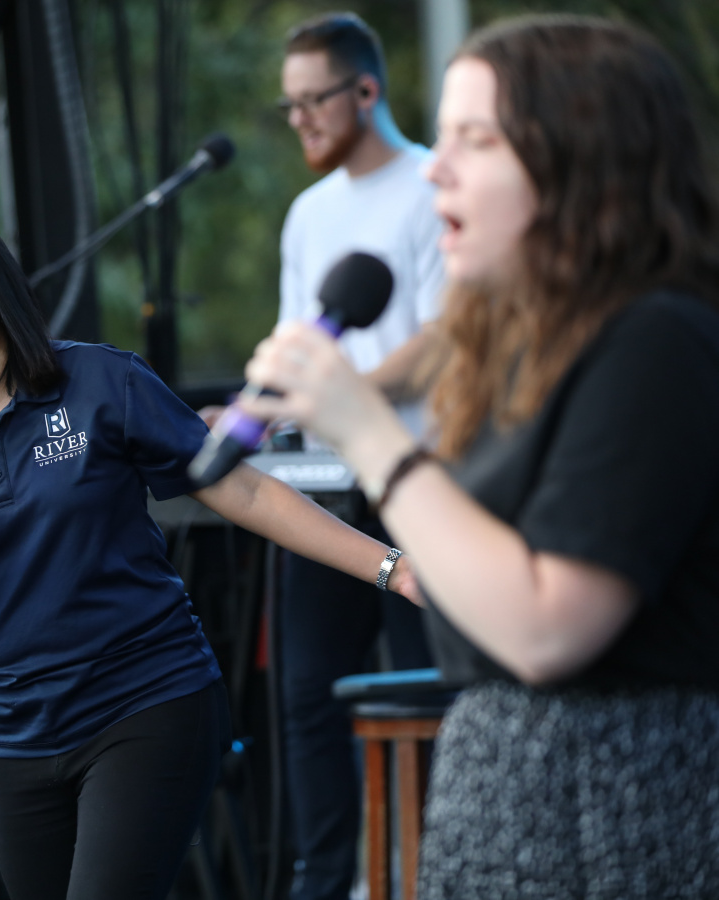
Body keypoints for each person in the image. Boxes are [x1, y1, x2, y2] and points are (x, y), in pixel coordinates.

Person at [242, 15, 719, 898]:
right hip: (503, 794)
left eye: (477, 139)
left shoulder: (656, 340)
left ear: (576, 157)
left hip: (618, 812)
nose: (436, 168)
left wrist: (371, 435)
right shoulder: (528, 346)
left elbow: (547, 629)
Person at [0, 199, 422, 900]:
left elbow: (243, 490)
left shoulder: (98, 380)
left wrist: (393, 568)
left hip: (146, 703)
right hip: (11, 740)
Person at [271, 13, 444, 898]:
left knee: (431, 693)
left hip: (425, 485)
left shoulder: (432, 187)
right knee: (309, 694)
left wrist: (343, 396)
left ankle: (442, 872)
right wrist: (262, 406)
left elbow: (446, 341)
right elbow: (300, 344)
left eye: (313, 100)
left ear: (366, 92)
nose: (298, 118)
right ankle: (326, 880)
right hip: (329, 488)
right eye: (289, 104)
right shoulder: (308, 214)